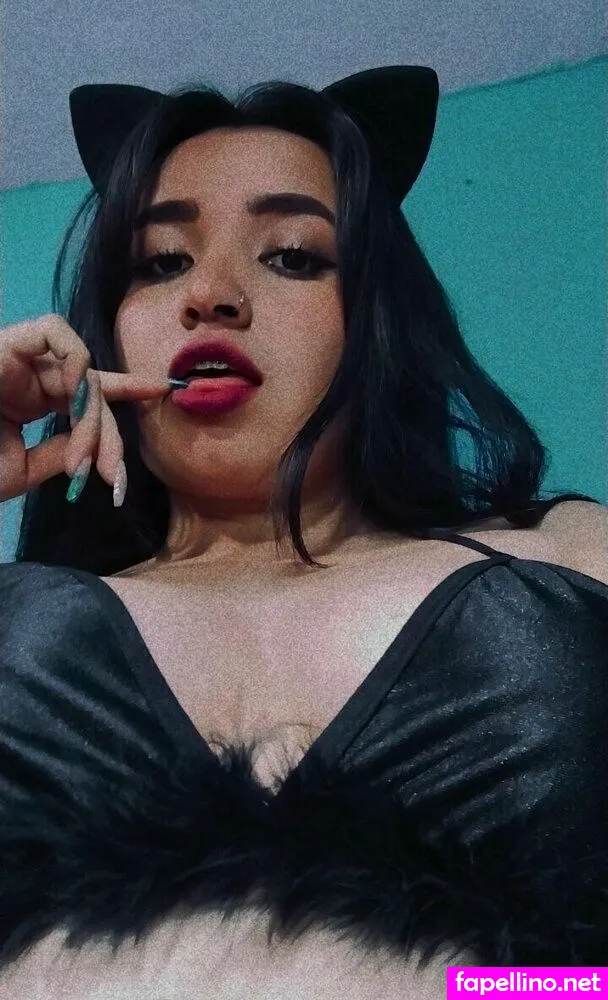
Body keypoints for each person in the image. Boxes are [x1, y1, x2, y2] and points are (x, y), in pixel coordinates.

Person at [0, 65, 606, 996]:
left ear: (379, 316)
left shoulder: (565, 549)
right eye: (160, 263)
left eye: (291, 255)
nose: (211, 295)